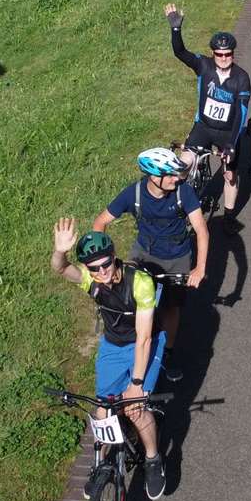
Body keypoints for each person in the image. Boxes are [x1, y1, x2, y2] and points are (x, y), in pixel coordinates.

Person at [50, 218, 170, 499]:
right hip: (114, 346)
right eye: (94, 268)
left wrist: (137, 384)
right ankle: (99, 464)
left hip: (144, 343)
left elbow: (144, 338)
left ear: (114, 257)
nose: (102, 271)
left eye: (106, 263)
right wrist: (60, 252)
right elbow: (61, 268)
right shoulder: (92, 280)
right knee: (103, 410)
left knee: (135, 409)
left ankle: (153, 460)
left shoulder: (139, 283)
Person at [92, 146, 210, 357]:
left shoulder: (184, 191)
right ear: (155, 178)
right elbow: (100, 223)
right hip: (143, 253)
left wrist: (199, 268)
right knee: (130, 299)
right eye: (171, 174)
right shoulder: (133, 194)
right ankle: (135, 344)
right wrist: (105, 261)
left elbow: (201, 231)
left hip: (177, 256)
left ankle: (168, 351)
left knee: (171, 307)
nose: (177, 178)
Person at [165, 7, 251, 217]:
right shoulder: (204, 66)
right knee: (184, 163)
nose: (224, 58)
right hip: (203, 127)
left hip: (227, 133)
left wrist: (232, 143)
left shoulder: (242, 78)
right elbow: (180, 53)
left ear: (233, 53)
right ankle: (176, 200)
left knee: (230, 176)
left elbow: (241, 114)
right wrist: (176, 29)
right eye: (219, 54)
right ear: (213, 53)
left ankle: (230, 217)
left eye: (228, 54)